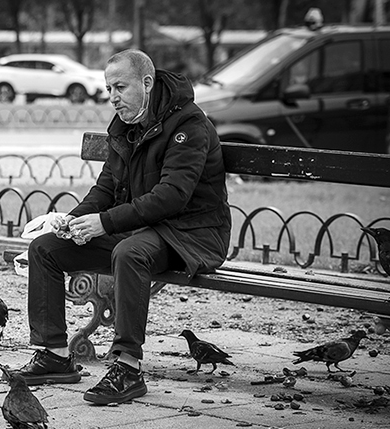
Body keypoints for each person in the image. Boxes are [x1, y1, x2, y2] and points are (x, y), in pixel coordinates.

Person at [14, 49, 232, 405]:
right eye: (108, 89)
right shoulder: (125, 126)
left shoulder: (189, 125)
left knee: (129, 252)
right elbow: (105, 188)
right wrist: (72, 220)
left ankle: (128, 368)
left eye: (120, 87)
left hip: (191, 234)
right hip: (141, 228)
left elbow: (172, 196)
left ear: (146, 83)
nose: (112, 97)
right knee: (47, 248)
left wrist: (105, 222)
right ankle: (54, 356)